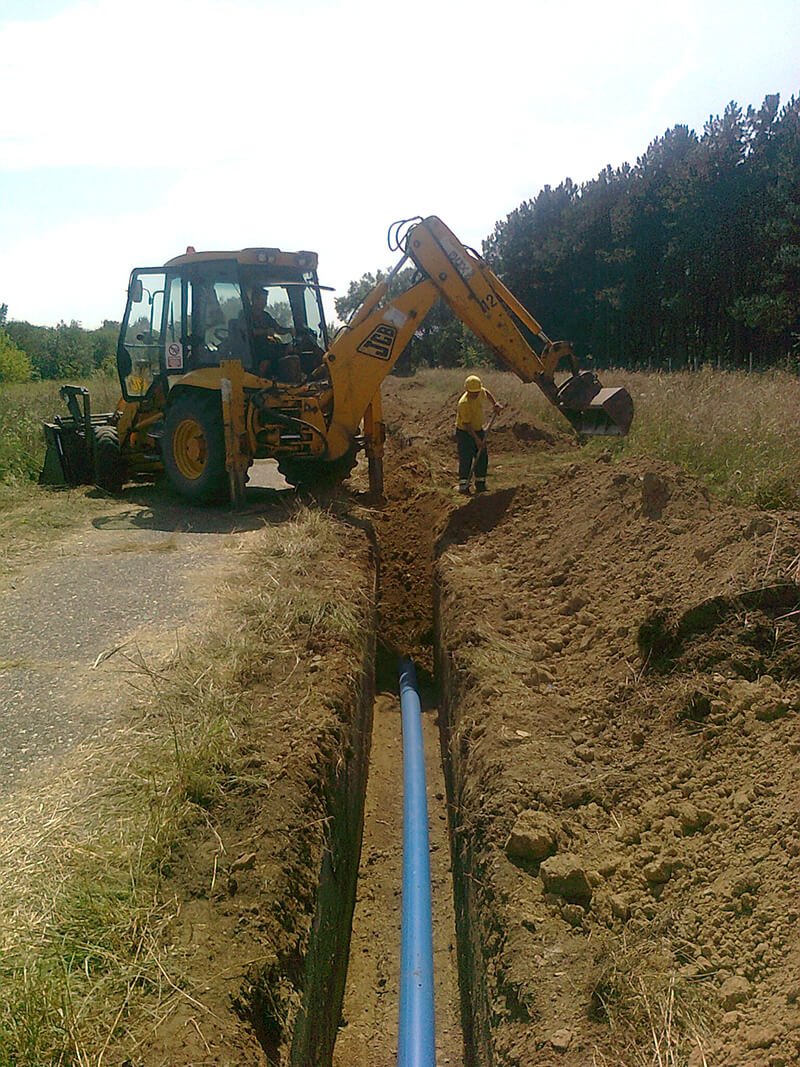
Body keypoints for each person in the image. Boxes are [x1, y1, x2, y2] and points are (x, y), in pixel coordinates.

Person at [455, 374, 502, 494]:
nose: (476, 395)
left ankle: (480, 484)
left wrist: (494, 404)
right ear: (467, 391)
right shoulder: (464, 403)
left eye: (477, 392)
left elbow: (486, 393)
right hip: (465, 432)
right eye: (473, 393)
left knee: (482, 457)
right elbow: (467, 425)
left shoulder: (480, 391)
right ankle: (464, 485)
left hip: (478, 429)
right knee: (466, 458)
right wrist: (477, 440)